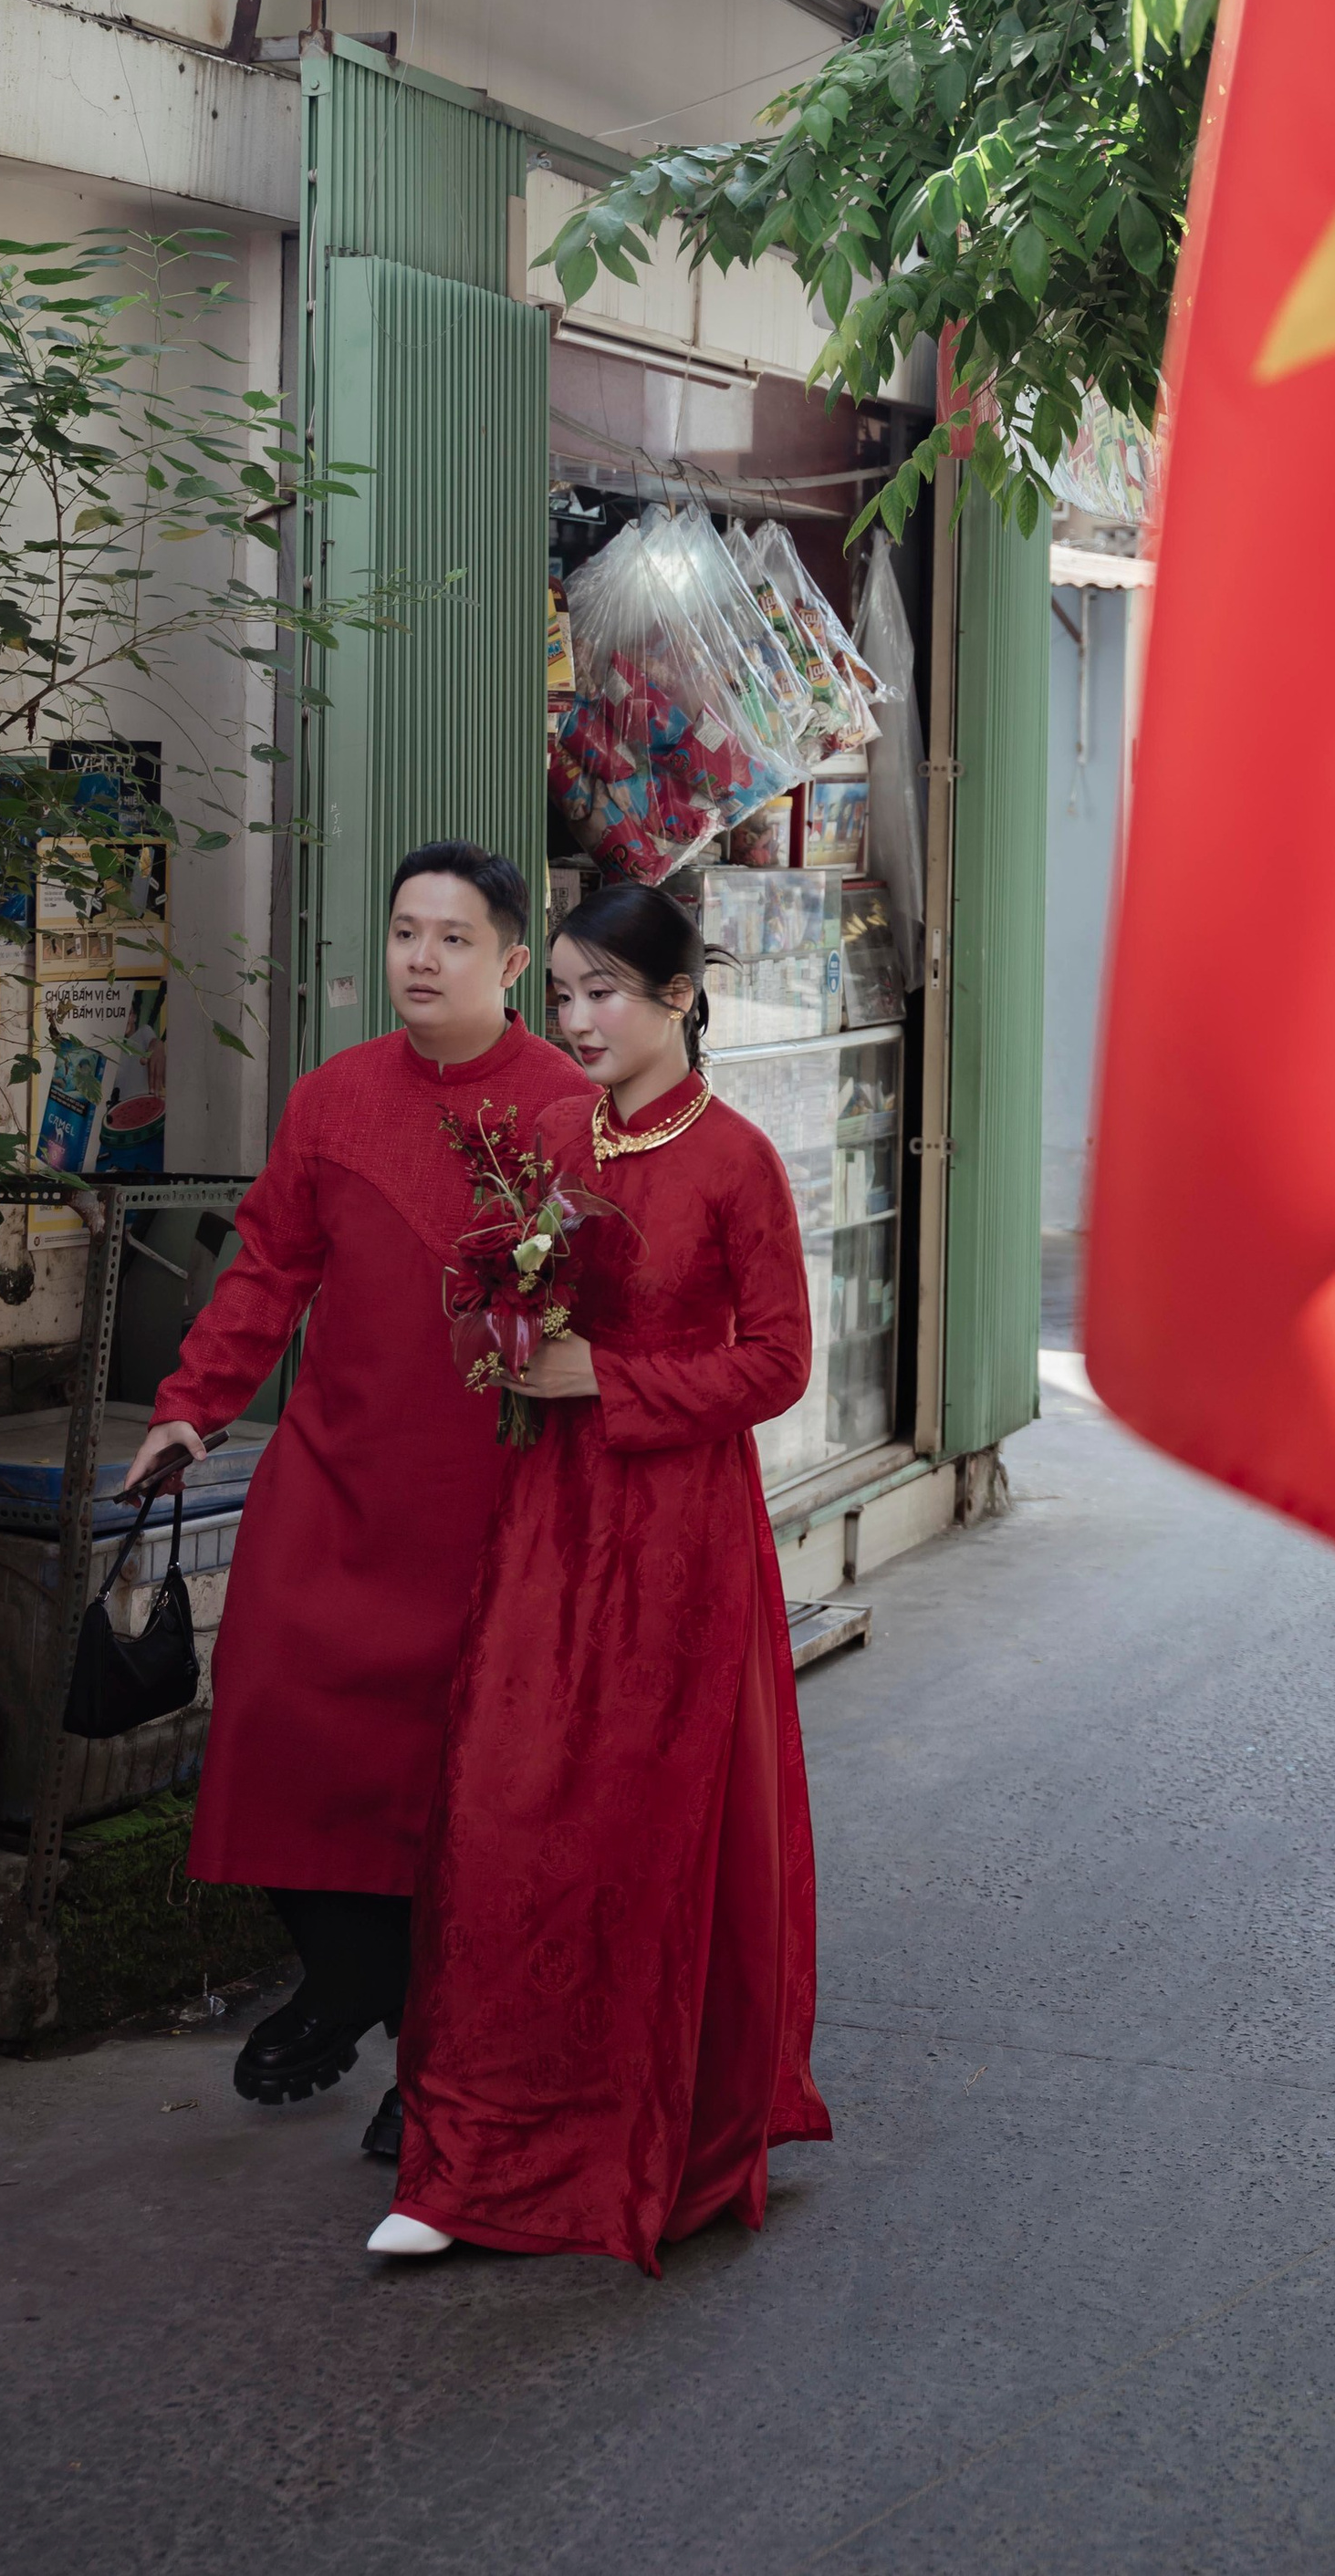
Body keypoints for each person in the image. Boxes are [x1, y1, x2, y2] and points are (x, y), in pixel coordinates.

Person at [368, 879, 832, 2266]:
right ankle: (466, 2154)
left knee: (643, 1824)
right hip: (549, 1523)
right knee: (502, 1808)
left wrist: (604, 1374)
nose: (572, 1016)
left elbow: (779, 1362)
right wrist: (506, 1335)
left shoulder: (739, 1160)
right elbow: (493, 1291)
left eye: (601, 991)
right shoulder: (548, 1135)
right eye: (560, 990)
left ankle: (651, 2132)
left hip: (680, 1534)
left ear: (679, 997)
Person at [124, 845, 591, 2157]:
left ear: (512, 961)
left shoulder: (565, 1109)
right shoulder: (333, 1099)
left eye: (453, 937)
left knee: (460, 1791)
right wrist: (188, 1405)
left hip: (492, 1505)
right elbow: (267, 1267)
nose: (421, 958)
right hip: (331, 1486)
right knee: (269, 1722)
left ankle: (430, 2059)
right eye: (404, 932)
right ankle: (356, 1981)